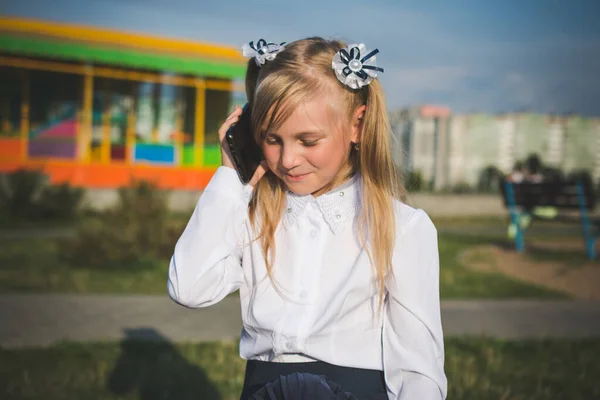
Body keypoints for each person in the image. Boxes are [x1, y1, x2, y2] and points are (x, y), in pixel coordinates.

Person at [168, 37, 447, 400]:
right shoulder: (251, 218)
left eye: (308, 140)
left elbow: (418, 371)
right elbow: (189, 288)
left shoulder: (403, 228)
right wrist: (228, 178)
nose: (287, 160)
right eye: (272, 139)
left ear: (357, 125)